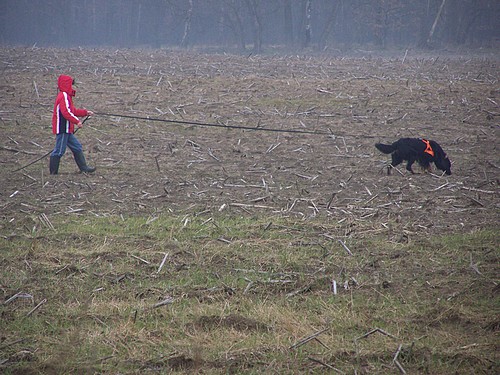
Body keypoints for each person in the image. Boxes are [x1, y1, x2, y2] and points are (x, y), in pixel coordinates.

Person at [49, 74, 95, 174]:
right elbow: (66, 112)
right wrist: (77, 121)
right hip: (62, 128)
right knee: (59, 151)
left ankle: (84, 168)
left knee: (77, 146)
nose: (72, 86)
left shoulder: (66, 96)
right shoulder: (64, 96)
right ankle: (53, 173)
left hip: (67, 129)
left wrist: (85, 112)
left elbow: (72, 110)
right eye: (70, 84)